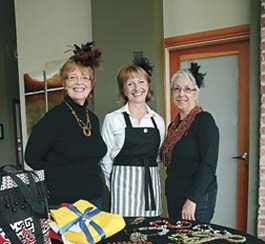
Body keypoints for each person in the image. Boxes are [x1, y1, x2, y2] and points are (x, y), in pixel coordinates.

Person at [25, 42, 107, 209]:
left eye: (85, 77)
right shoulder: (53, 119)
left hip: (95, 199)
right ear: (64, 83)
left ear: (91, 85)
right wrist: (59, 175)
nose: (79, 82)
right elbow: (32, 158)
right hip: (65, 203)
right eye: (72, 77)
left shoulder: (93, 118)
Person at [101, 53, 165, 217]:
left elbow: (157, 158)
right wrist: (115, 185)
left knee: (152, 232)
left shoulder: (157, 121)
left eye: (141, 82)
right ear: (123, 90)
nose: (137, 88)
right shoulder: (113, 119)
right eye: (130, 84)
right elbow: (106, 159)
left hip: (150, 185)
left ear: (148, 86)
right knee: (124, 236)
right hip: (122, 187)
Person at [161, 62, 219, 222]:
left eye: (187, 89)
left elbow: (208, 165)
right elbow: (172, 165)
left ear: (196, 92)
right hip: (174, 196)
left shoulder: (204, 121)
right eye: (176, 89)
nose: (181, 94)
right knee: (176, 242)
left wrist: (192, 200)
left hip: (196, 198)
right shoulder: (173, 126)